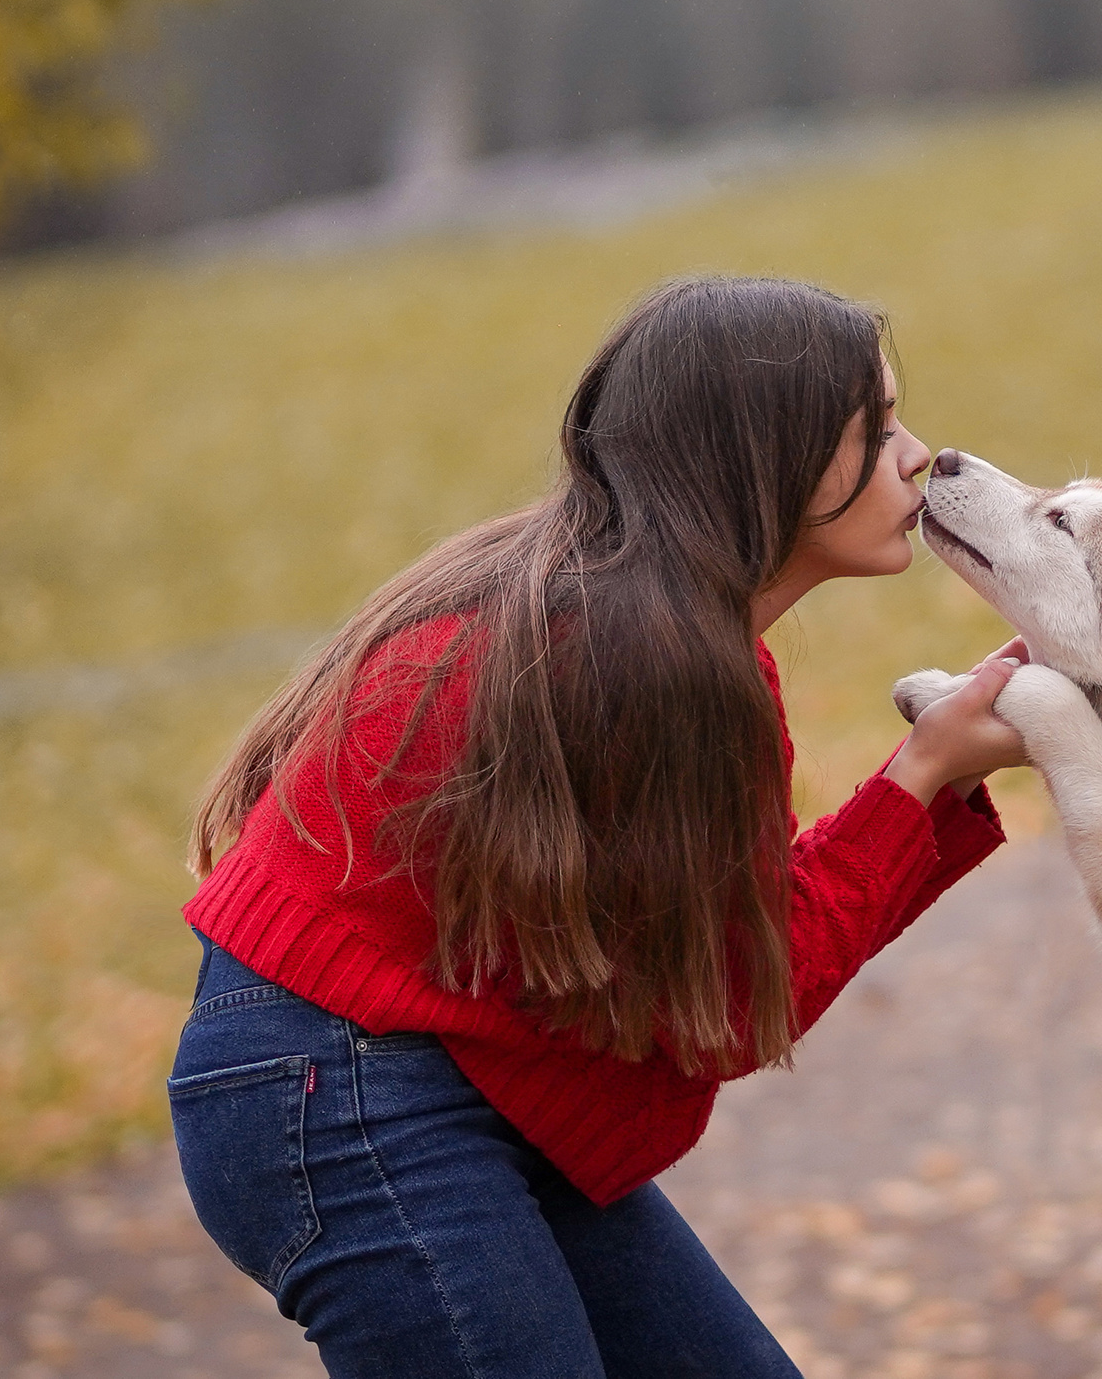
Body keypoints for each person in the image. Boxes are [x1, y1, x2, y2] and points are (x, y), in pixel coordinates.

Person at [170, 276, 1028, 1376]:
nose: (916, 456)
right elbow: (725, 1006)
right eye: (873, 430)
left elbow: (716, 950)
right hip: (336, 1092)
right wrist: (925, 777)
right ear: (756, 459)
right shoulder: (636, 663)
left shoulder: (628, 618)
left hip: (444, 1065)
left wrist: (929, 774)